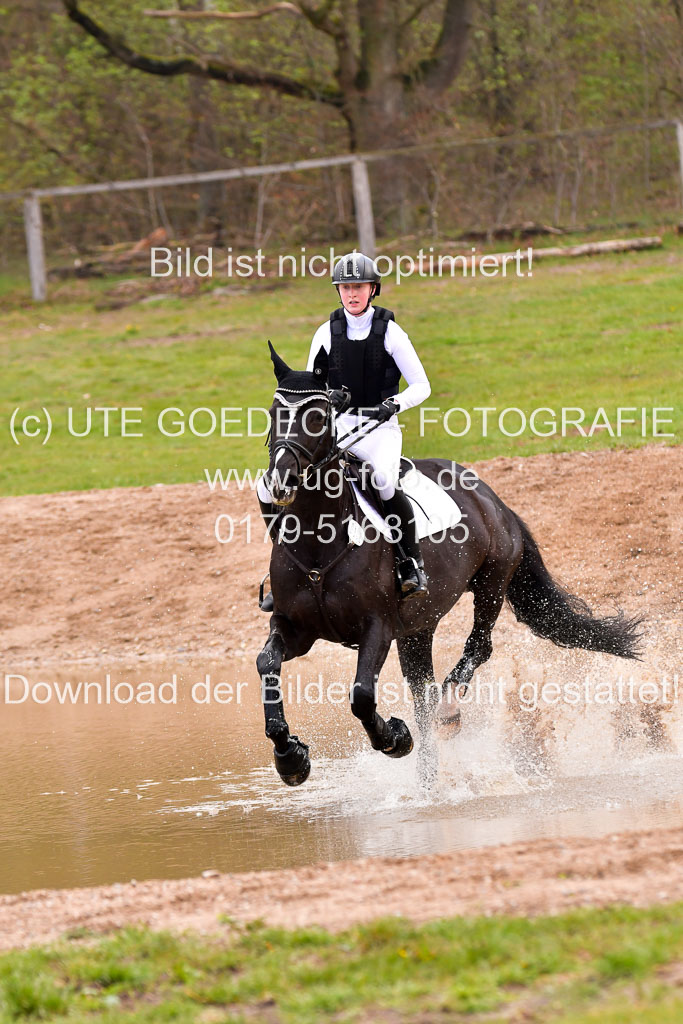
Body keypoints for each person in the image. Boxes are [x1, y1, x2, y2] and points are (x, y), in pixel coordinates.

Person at [258, 251, 431, 610]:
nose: (352, 294)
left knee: (383, 480)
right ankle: (283, 566)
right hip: (336, 428)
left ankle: (409, 563)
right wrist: (328, 397)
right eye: (346, 287)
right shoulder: (326, 332)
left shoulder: (391, 332)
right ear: (338, 291)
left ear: (373, 290)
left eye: (359, 287)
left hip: (379, 429)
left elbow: (422, 386)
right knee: (268, 485)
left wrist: (393, 404)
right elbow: (312, 387)